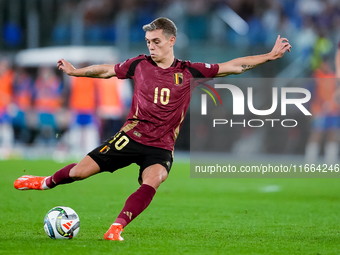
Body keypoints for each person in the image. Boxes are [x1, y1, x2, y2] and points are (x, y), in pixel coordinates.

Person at [14, 17, 291, 241]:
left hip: (160, 147)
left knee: (153, 180)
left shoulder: (189, 71)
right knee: (79, 172)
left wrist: (268, 56)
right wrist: (77, 72)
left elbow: (234, 66)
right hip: (129, 138)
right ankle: (45, 181)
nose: (151, 47)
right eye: (148, 42)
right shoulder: (139, 64)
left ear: (172, 41)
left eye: (156, 42)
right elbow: (107, 70)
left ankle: (116, 228)